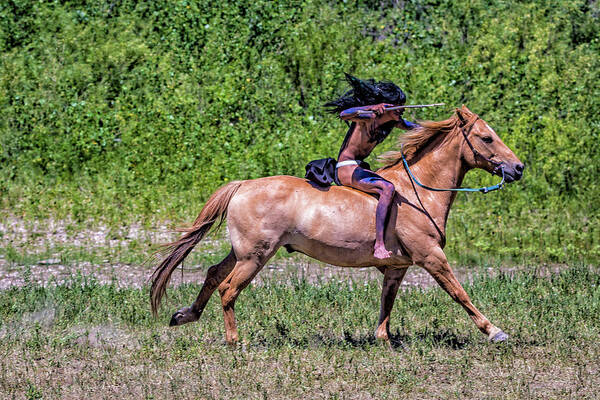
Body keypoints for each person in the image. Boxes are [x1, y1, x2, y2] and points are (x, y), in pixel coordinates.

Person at [324, 74, 418, 259]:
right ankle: (379, 245)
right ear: (385, 105)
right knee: (387, 188)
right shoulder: (367, 117)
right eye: (397, 105)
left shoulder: (392, 122)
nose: (402, 109)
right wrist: (371, 108)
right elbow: (344, 114)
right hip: (346, 167)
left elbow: (415, 127)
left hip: (359, 167)